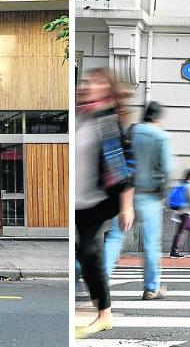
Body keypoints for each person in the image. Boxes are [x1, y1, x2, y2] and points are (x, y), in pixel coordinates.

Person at [75, 68, 134, 338]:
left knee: (89, 253)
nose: (88, 85)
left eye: (96, 82)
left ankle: (104, 314)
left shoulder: (106, 121)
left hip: (95, 202)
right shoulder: (79, 116)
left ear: (108, 90)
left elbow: (120, 168)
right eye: (87, 81)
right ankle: (95, 307)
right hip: (74, 200)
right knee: (82, 256)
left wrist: (126, 205)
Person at [103, 101, 172, 300]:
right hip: (150, 196)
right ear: (158, 118)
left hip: (125, 194)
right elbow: (167, 168)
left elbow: (118, 162)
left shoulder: (131, 132)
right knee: (151, 244)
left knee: (115, 238)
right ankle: (151, 288)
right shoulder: (161, 136)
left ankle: (100, 280)